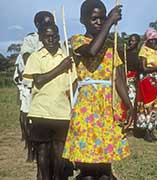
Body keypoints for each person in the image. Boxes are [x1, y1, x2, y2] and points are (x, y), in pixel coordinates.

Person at [63, 0, 133, 179]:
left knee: (105, 166)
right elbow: (92, 51)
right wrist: (110, 21)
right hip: (87, 111)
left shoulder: (111, 46)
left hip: (107, 109)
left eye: (102, 18)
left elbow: (117, 77)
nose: (99, 22)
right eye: (94, 19)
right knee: (87, 168)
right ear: (82, 20)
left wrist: (128, 104)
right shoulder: (78, 41)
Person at [23, 24, 77, 180]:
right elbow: (38, 80)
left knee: (60, 156)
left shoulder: (66, 57)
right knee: (42, 154)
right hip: (41, 113)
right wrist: (61, 68)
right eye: (47, 36)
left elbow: (73, 82)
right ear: (41, 38)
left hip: (62, 113)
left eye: (54, 36)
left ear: (59, 36)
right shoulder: (36, 57)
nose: (51, 39)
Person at [19, 11, 56, 163]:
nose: (49, 25)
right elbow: (28, 59)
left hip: (52, 85)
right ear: (37, 25)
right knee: (28, 117)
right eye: (45, 23)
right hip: (32, 84)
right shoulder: (31, 39)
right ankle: (31, 146)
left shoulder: (55, 37)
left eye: (51, 22)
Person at [136, 29, 157, 142]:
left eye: (155, 39)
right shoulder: (144, 50)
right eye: (151, 39)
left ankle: (151, 130)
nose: (153, 42)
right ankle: (145, 131)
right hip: (146, 80)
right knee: (146, 106)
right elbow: (143, 68)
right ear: (147, 40)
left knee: (154, 106)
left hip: (156, 81)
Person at [118, 34, 141, 125]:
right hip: (125, 79)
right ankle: (126, 121)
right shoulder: (124, 53)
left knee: (134, 100)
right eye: (130, 40)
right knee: (126, 100)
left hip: (135, 80)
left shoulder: (140, 54)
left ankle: (132, 122)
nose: (131, 42)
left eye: (133, 41)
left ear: (137, 42)